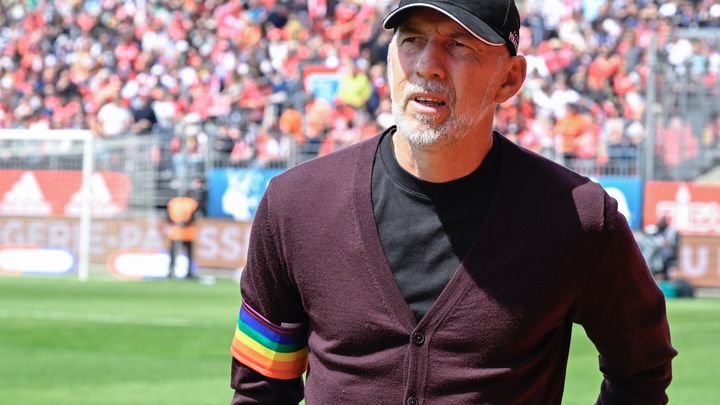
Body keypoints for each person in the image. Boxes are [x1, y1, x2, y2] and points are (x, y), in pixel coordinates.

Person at [229, 1, 676, 403]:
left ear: (510, 78)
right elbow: (260, 386)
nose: (428, 65)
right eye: (412, 40)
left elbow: (642, 368)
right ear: (388, 58)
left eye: (459, 45)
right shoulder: (295, 205)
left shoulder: (578, 217)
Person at [166, 192, 199, 279]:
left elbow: (168, 217)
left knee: (173, 254)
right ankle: (189, 273)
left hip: (176, 231)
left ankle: (171, 272)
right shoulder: (192, 202)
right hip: (188, 231)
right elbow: (194, 217)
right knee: (189, 254)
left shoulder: (173, 202)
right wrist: (184, 223)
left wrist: (177, 223)